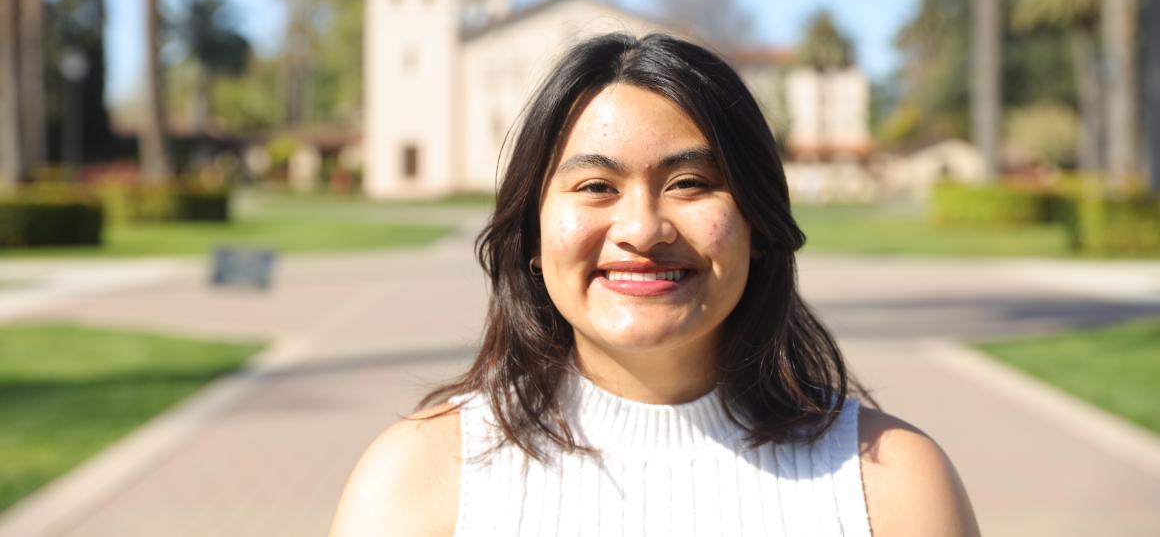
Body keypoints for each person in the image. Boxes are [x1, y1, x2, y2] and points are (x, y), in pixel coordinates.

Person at [330, 32, 980, 536]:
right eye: (595, 187)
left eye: (690, 183)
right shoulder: (418, 479)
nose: (642, 229)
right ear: (531, 232)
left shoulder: (893, 484)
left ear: (757, 222)